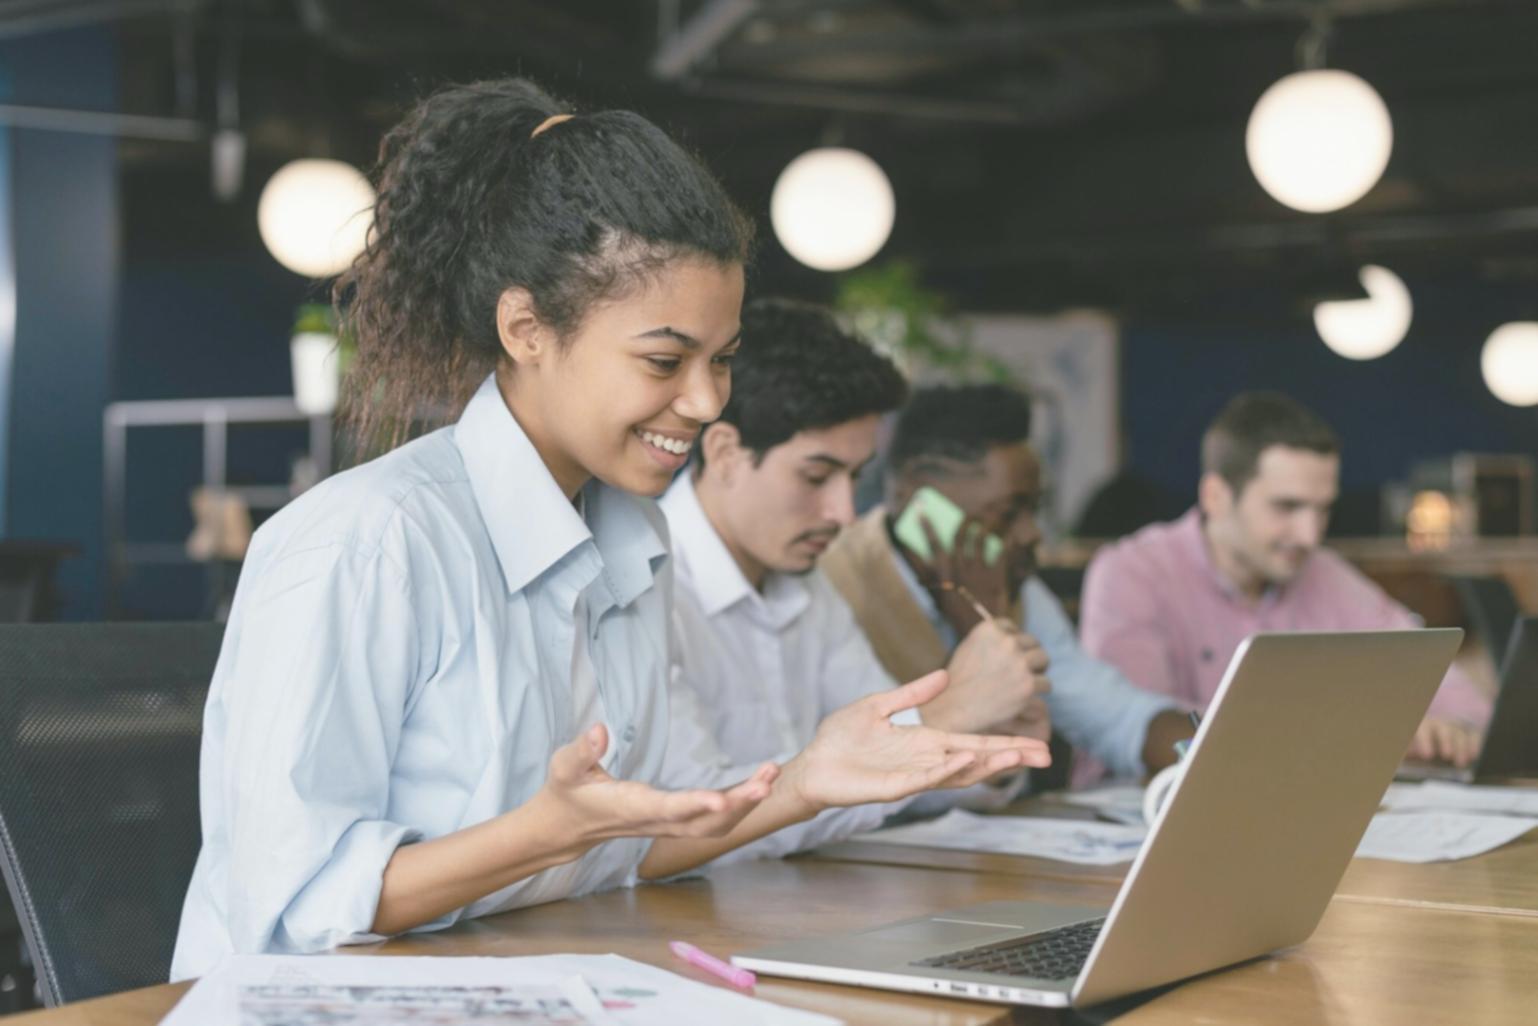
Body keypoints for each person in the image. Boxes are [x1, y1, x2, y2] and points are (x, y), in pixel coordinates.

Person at [170, 79, 1048, 979]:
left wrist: (807, 781)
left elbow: (628, 845)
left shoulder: (630, 538)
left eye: (722, 361)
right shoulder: (366, 545)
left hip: (512, 981)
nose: (706, 401)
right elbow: (298, 910)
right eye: (665, 360)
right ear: (526, 328)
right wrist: (544, 834)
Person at [659, 300, 1052, 857]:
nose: (843, 513)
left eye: (855, 478)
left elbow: (873, 785)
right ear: (724, 452)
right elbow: (677, 832)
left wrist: (985, 749)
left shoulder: (808, 585)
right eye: (816, 476)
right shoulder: (642, 587)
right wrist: (949, 714)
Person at [1080, 391, 1490, 766]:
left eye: (1323, 509)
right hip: (1138, 814)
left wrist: (1452, 727)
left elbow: (1452, 692)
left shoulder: (1325, 573)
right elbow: (1140, 730)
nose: (1309, 535)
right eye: (1286, 507)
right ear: (1215, 496)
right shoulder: (1132, 573)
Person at [821, 384, 1192, 785]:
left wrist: (1208, 753)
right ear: (913, 496)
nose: (1032, 534)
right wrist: (979, 636)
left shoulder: (1013, 589)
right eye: (1007, 513)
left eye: (1034, 509)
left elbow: (1114, 714)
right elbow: (864, 776)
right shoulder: (834, 583)